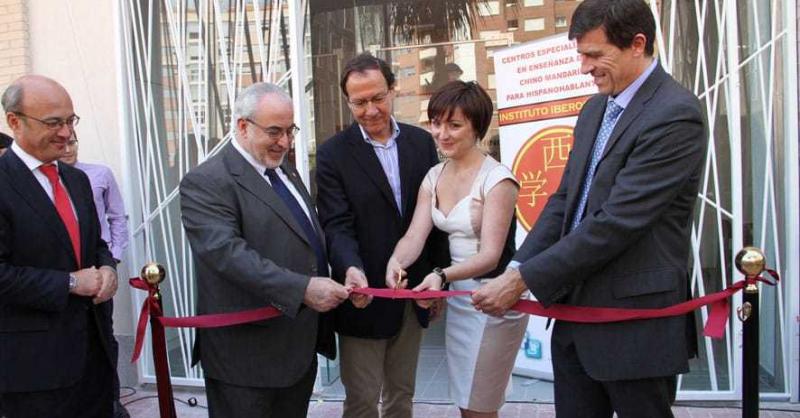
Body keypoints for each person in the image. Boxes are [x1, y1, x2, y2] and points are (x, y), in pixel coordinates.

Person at [472, 0, 707, 416]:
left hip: (634, 322)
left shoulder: (675, 115)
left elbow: (617, 222)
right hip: (575, 318)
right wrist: (515, 268)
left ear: (637, 44)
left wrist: (523, 280)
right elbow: (566, 201)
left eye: (595, 55)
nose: (584, 68)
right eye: (581, 54)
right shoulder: (595, 108)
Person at [180, 82, 349, 418]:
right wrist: (303, 289)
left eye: (290, 131)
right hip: (246, 360)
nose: (285, 142)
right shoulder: (207, 181)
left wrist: (345, 271)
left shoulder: (284, 169)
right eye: (274, 132)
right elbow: (228, 255)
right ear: (243, 126)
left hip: (297, 349)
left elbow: (305, 236)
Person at [316, 52, 446, 418]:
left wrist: (438, 277)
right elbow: (336, 225)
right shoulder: (332, 155)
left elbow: (433, 218)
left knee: (401, 396)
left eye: (377, 98)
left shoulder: (421, 143)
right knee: (362, 401)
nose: (370, 110)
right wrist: (350, 268)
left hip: (412, 291)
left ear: (393, 90)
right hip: (364, 295)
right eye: (359, 102)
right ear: (347, 101)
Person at [387, 80, 528, 418]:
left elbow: (491, 255)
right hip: (460, 300)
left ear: (477, 126)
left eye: (454, 125)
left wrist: (440, 275)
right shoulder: (434, 176)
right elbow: (415, 236)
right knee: (467, 401)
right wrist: (395, 261)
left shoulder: (498, 179)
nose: (442, 134)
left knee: (480, 405)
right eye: (436, 123)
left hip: (495, 299)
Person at [0, 75, 119, 417]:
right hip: (34, 370)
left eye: (70, 120)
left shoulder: (76, 180)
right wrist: (69, 282)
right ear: (14, 121)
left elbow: (95, 244)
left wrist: (107, 267)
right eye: (53, 123)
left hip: (94, 357)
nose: (66, 133)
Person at [60, 134, 131, 418]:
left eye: (73, 142)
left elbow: (117, 217)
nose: (68, 149)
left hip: (99, 270)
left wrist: (113, 259)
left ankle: (112, 400)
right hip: (65, 277)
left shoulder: (97, 174)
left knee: (104, 336)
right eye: (64, 144)